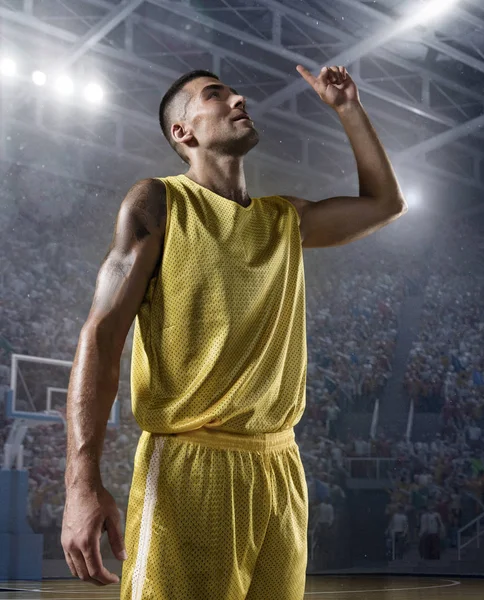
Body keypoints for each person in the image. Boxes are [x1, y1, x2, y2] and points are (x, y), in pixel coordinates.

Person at [60, 65, 407, 599]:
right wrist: (81, 481)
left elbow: (386, 204)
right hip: (189, 468)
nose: (239, 98)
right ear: (184, 132)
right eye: (216, 95)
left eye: (235, 92)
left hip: (280, 470)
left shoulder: (285, 219)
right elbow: (102, 337)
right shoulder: (158, 203)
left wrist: (348, 109)